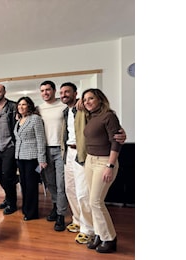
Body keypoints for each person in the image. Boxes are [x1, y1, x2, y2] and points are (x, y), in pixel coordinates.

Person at [59, 82, 127, 244]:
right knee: (75, 192)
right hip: (76, 154)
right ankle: (88, 226)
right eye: (61, 92)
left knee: (88, 197)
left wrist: (121, 134)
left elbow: (111, 129)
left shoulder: (91, 111)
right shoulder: (72, 112)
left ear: (76, 94)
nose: (63, 95)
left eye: (67, 92)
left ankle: (94, 231)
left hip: (89, 156)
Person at [81, 88, 122, 254]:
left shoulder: (109, 116)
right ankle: (99, 234)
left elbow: (116, 142)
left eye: (91, 98)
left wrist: (110, 166)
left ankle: (110, 238)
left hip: (104, 162)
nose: (87, 102)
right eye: (85, 100)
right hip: (90, 160)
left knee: (96, 202)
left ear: (100, 99)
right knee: (93, 202)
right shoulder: (91, 116)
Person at [37, 80, 68, 231]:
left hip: (61, 150)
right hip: (44, 150)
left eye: (48, 90)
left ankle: (61, 215)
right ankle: (56, 206)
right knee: (50, 183)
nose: (45, 93)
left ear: (54, 90)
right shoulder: (39, 109)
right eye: (42, 90)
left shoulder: (64, 106)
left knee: (61, 183)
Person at [13, 97, 47, 221]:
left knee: (32, 185)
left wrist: (42, 159)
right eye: (19, 104)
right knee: (24, 185)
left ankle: (32, 212)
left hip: (32, 158)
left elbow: (40, 139)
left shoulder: (35, 119)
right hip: (20, 157)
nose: (21, 107)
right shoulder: (19, 120)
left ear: (29, 106)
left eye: (24, 104)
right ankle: (26, 208)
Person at [0, 84, 18, 215]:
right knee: (0, 176)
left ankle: (13, 203)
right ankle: (8, 198)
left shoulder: (13, 106)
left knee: (8, 175)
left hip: (10, 146)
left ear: (4, 92)